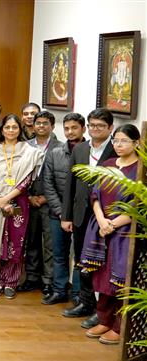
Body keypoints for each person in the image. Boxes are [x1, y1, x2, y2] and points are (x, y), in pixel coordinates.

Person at [80, 124, 140, 345]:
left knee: (121, 279)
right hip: (101, 228)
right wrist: (102, 220)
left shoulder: (141, 169)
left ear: (137, 143)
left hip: (125, 231)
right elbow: (94, 195)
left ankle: (119, 326)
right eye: (116, 141)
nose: (118, 145)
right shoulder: (106, 165)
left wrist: (113, 224)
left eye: (124, 141)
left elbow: (139, 205)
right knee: (103, 278)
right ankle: (104, 320)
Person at [0, 114, 44, 299]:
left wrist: (8, 198)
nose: (11, 131)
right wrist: (0, 200)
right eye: (7, 127)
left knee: (16, 243)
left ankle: (11, 282)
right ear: (2, 130)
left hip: (18, 202)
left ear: (20, 129)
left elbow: (27, 180)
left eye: (14, 127)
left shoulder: (29, 151)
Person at [61, 108, 116, 327]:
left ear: (110, 128)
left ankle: (102, 311)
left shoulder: (116, 149)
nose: (95, 130)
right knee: (82, 261)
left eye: (100, 126)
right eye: (92, 125)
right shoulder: (81, 149)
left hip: (105, 217)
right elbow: (70, 184)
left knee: (101, 264)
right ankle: (85, 303)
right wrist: (66, 216)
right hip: (81, 215)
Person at [42, 112, 87, 305]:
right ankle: (59, 290)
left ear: (83, 129)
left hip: (82, 214)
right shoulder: (55, 153)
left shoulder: (89, 153)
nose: (69, 132)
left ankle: (77, 294)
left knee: (79, 256)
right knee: (58, 253)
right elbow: (48, 184)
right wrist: (62, 212)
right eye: (66, 128)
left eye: (74, 128)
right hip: (57, 212)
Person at [20, 111, 63, 296]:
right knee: (31, 240)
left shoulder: (60, 148)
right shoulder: (25, 146)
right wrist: (28, 196)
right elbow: (19, 174)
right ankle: (31, 277)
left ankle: (48, 281)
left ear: (52, 126)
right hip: (28, 199)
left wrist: (46, 197)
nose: (41, 126)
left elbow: (62, 178)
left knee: (49, 244)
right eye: (38, 123)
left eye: (45, 123)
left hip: (50, 201)